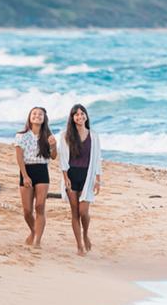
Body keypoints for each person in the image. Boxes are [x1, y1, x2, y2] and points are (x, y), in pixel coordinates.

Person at [58, 104, 103, 255]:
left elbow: (97, 159)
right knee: (75, 212)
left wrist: (98, 179)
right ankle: (79, 245)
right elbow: (63, 158)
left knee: (84, 211)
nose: (80, 116)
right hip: (71, 175)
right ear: (72, 118)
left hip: (87, 176)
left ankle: (85, 234)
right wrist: (65, 178)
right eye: (76, 114)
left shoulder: (94, 136)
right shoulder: (66, 135)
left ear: (86, 116)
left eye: (82, 113)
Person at [15, 107, 56, 247]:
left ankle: (37, 240)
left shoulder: (48, 136)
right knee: (27, 211)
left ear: (44, 118)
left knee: (40, 206)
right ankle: (34, 232)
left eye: (40, 114)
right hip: (27, 171)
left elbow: (53, 156)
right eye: (34, 113)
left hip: (42, 171)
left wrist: (54, 146)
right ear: (30, 117)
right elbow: (19, 158)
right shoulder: (21, 135)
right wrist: (25, 176)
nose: (37, 116)